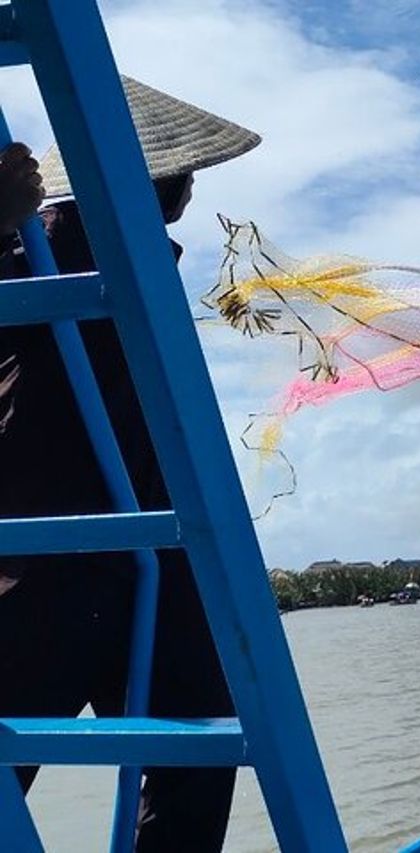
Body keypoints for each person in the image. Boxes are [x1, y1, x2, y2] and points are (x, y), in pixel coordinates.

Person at [0, 77, 259, 851]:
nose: (183, 196)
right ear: (164, 188)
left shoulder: (140, 263)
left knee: (205, 739)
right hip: (50, 563)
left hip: (143, 558)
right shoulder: (33, 242)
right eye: (181, 180)